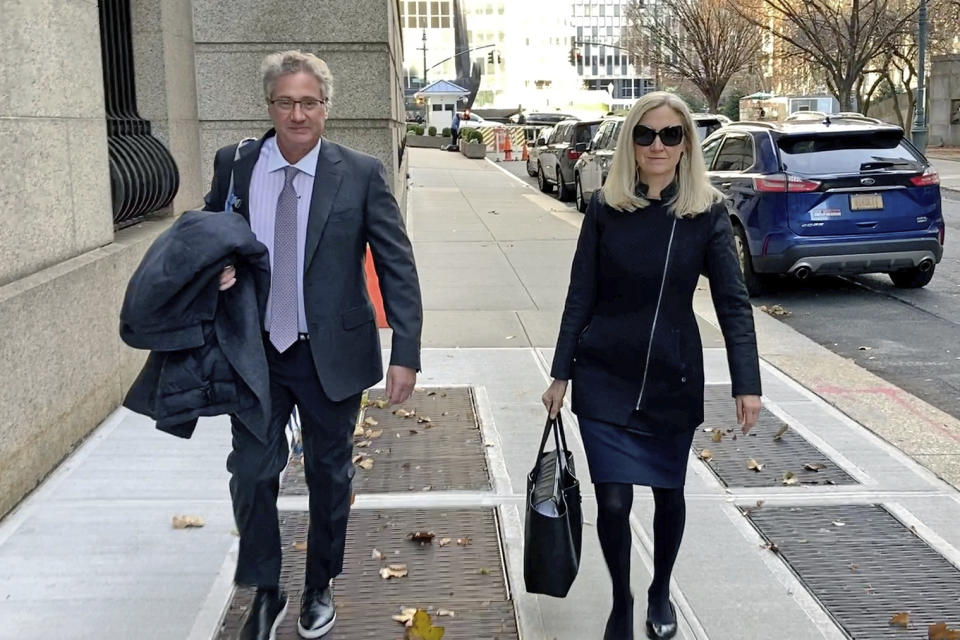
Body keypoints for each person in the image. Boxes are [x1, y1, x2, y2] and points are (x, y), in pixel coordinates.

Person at [204, 50, 423, 640]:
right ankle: (266, 585)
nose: (297, 114)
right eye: (285, 101)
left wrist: (405, 349)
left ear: (327, 107)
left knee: (329, 475)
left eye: (309, 102)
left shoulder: (359, 171)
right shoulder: (236, 165)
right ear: (269, 105)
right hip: (255, 353)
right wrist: (218, 268)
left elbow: (396, 264)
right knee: (251, 472)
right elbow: (209, 235)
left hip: (331, 354)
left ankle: (318, 584)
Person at [541, 91, 762, 640]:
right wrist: (560, 372)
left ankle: (661, 588)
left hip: (672, 373)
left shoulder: (707, 213)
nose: (658, 145)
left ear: (686, 142)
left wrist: (746, 382)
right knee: (613, 502)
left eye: (670, 134)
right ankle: (622, 597)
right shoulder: (605, 208)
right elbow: (579, 295)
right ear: (631, 144)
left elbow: (733, 301)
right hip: (603, 374)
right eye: (646, 134)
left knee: (669, 493)